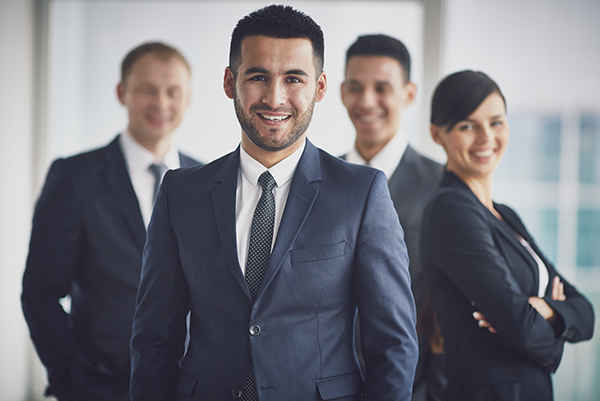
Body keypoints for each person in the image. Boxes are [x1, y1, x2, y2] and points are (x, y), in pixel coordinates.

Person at [130, 5, 418, 401]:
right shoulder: (180, 193)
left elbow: (394, 347)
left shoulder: (362, 193)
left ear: (319, 88)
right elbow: (153, 342)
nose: (275, 97)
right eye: (258, 76)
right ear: (230, 82)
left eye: (294, 78)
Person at [21, 42, 202, 401]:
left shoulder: (207, 180)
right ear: (123, 93)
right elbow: (40, 293)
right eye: (147, 89)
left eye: (173, 91)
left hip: (189, 387)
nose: (161, 103)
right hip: (101, 387)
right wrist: (69, 380)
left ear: (188, 98)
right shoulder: (74, 177)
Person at [421, 70, 595, 401]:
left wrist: (541, 308)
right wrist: (552, 322)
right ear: (437, 134)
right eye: (467, 126)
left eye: (496, 122)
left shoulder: (506, 214)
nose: (486, 137)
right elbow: (523, 331)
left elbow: (585, 313)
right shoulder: (450, 210)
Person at [340, 34, 445, 401]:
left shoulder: (443, 187)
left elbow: (452, 308)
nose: (367, 101)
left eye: (382, 87)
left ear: (409, 94)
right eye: (356, 87)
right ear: (340, 93)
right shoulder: (317, 183)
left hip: (416, 388)